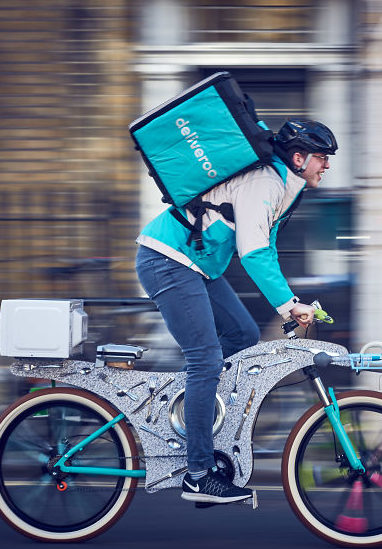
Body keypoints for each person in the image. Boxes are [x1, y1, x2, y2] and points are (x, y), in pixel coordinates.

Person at [135, 119, 338, 505]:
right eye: (321, 159)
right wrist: (286, 304)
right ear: (299, 158)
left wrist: (290, 300)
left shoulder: (284, 187)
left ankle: (188, 415)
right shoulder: (266, 183)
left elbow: (268, 249)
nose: (326, 166)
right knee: (206, 360)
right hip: (168, 259)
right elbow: (254, 251)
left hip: (196, 266)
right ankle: (197, 473)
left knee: (243, 336)